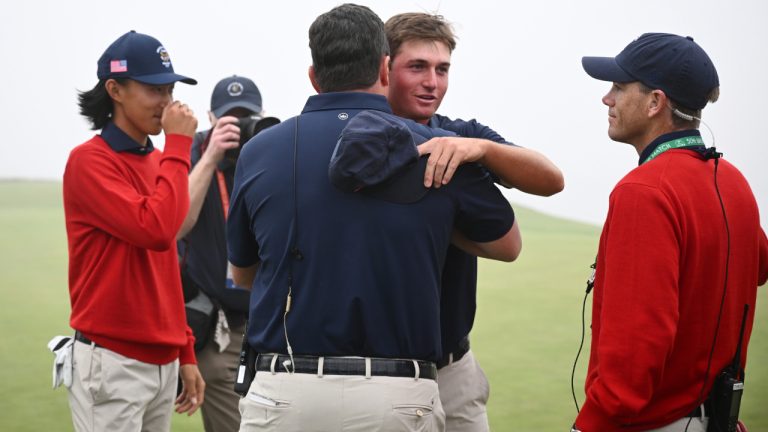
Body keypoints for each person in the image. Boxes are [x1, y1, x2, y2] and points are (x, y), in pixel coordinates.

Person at [227, 4, 521, 431]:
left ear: (314, 75)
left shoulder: (259, 150)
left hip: (284, 390)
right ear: (385, 70)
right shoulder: (442, 147)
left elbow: (244, 273)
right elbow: (506, 244)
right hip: (399, 393)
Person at [573, 33, 768, 432]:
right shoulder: (733, 181)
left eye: (618, 87)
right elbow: (758, 267)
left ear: (655, 102)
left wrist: (591, 424)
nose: (606, 98)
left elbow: (634, 349)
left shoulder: (642, 191)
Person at [384, 12, 565, 431]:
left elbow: (551, 179)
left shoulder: (462, 133)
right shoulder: (358, 143)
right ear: (384, 67)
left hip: (454, 365)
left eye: (442, 69)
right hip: (384, 372)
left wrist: (479, 149)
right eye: (417, 67)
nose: (433, 82)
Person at [63, 30, 205, 431]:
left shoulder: (162, 161)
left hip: (163, 362)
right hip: (112, 362)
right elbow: (156, 230)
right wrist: (179, 146)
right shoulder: (89, 162)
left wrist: (186, 351)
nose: (167, 100)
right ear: (115, 89)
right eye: (153, 88)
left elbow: (167, 262)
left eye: (170, 88)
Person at [177, 75, 269, 432]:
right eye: (229, 119)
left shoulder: (266, 154)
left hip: (263, 323)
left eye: (246, 118)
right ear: (211, 118)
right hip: (216, 326)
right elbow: (177, 223)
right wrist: (212, 155)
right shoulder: (194, 154)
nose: (238, 127)